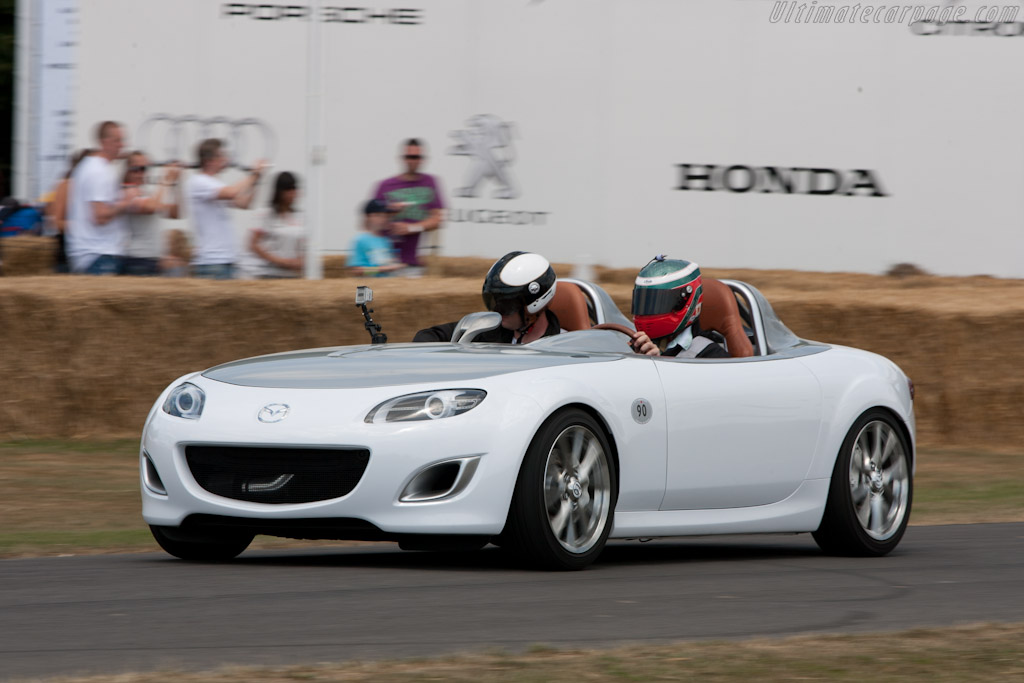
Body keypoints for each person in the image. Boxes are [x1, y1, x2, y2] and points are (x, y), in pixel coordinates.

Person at [413, 251, 561, 343]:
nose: (497, 311)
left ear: (536, 304)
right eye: (494, 302)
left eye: (507, 305)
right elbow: (428, 336)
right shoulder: (490, 328)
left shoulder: (561, 346)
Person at [187, 138, 267, 279]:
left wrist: (257, 179)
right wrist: (253, 174)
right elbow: (232, 192)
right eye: (222, 155)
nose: (226, 159)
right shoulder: (199, 182)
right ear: (209, 160)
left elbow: (245, 203)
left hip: (225, 260)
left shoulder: (215, 183)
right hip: (212, 261)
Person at [628, 255, 730, 358]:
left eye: (659, 303)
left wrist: (658, 363)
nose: (649, 310)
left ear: (685, 301)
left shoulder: (712, 356)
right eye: (645, 303)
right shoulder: (636, 343)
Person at [371, 138, 446, 274]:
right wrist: (390, 212)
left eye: (416, 157)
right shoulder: (385, 185)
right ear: (402, 158)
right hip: (384, 261)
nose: (412, 161)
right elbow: (370, 223)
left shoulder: (430, 182)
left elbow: (437, 219)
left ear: (422, 159)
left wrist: (411, 228)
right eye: (409, 157)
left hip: (413, 263)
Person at [66, 122, 132, 274]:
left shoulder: (86, 166)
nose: (122, 145)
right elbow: (100, 216)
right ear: (105, 142)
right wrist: (126, 202)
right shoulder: (100, 171)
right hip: (100, 254)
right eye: (118, 141)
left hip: (88, 253)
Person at [122, 152, 182, 276]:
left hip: (152, 260)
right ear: (127, 170)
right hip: (138, 259)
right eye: (135, 169)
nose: (140, 173)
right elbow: (152, 208)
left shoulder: (146, 193)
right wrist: (166, 180)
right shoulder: (127, 192)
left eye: (144, 169)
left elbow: (175, 213)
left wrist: (176, 183)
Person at [239, 171, 305, 279]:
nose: (293, 193)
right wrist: (280, 261)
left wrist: (300, 261)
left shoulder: (299, 216)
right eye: (289, 190)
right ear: (280, 192)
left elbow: (303, 245)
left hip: (290, 275)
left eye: (294, 189)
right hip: (266, 273)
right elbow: (253, 245)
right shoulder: (265, 214)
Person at [347, 199, 405, 277]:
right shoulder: (360, 240)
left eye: (386, 216)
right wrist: (385, 268)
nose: (384, 219)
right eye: (379, 215)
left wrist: (394, 263)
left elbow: (386, 263)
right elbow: (357, 270)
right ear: (369, 217)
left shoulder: (385, 240)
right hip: (369, 288)